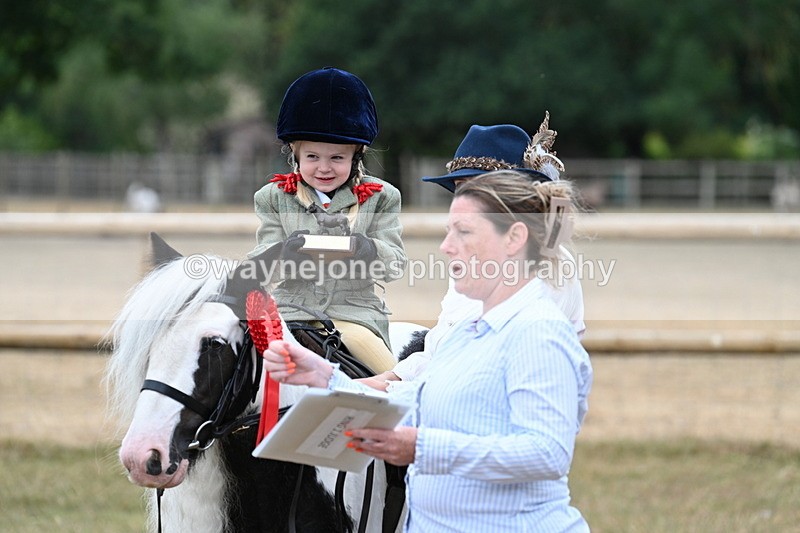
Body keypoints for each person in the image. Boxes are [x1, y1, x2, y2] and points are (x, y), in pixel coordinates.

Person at [263, 169, 593, 531]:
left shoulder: (538, 332)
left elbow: (546, 454)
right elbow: (411, 406)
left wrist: (422, 449)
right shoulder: (465, 331)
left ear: (514, 238)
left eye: (463, 231)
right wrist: (324, 375)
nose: (446, 246)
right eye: (449, 231)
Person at [363, 117, 585, 391]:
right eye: (461, 189)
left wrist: (390, 391)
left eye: (476, 190)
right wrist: (386, 380)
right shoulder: (474, 257)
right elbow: (439, 348)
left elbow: (480, 372)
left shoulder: (546, 263)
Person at [250, 67, 406, 374]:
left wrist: (367, 248)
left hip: (354, 315)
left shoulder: (382, 197)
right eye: (312, 157)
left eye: (337, 158)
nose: (324, 168)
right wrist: (284, 253)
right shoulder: (272, 197)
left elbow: (395, 264)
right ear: (294, 153)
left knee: (389, 377)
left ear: (356, 156)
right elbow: (258, 266)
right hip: (289, 311)